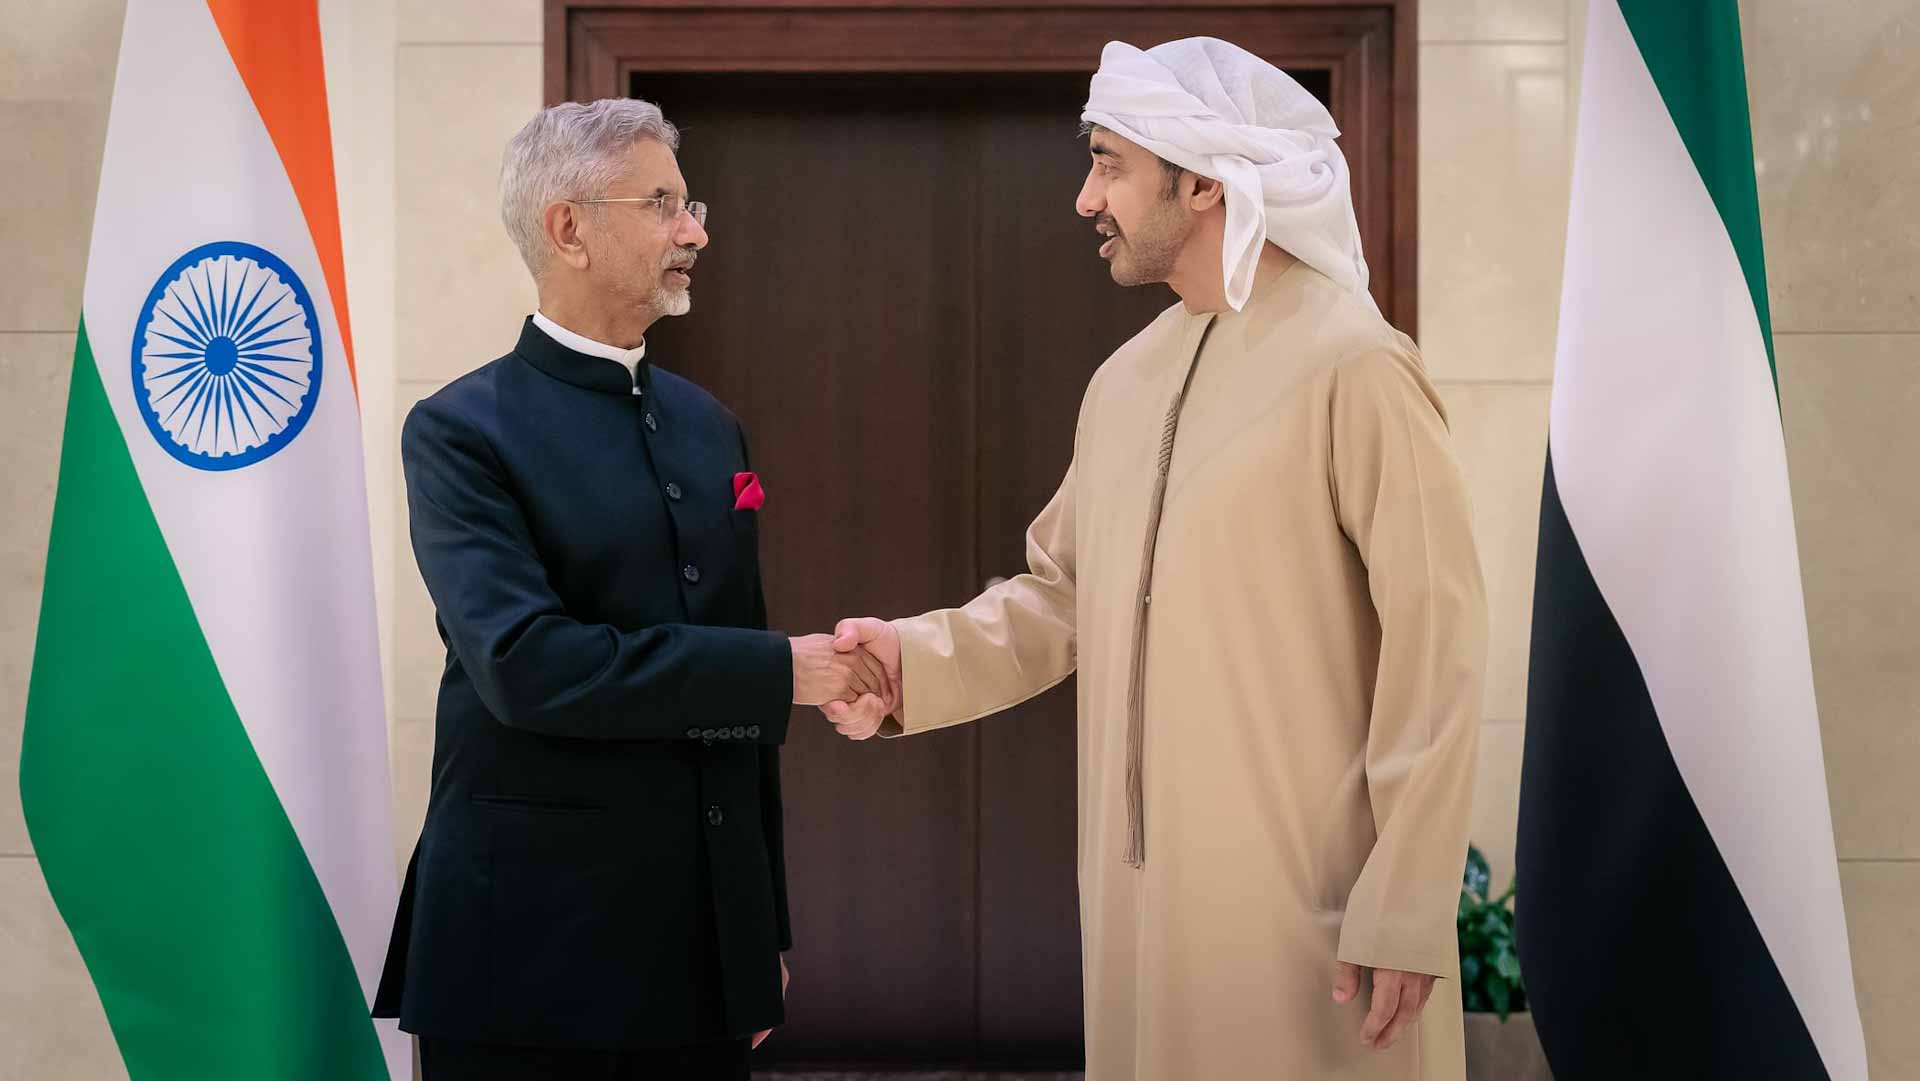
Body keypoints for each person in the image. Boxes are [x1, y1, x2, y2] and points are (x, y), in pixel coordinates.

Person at [827, 38, 1487, 1081]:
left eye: (1108, 163)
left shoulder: (1354, 364)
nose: (1088, 198)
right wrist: (910, 661)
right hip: (1139, 909)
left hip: (1311, 920)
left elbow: (1438, 645)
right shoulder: (1125, 382)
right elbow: (1066, 599)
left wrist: (1405, 901)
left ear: (1203, 180)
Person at [371, 97, 886, 1081]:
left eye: (693, 208)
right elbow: (527, 667)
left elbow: (741, 702)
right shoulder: (459, 431)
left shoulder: (711, 429)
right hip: (523, 953)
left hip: (700, 957)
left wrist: (758, 922)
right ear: (568, 226)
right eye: (662, 204)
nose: (694, 231)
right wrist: (785, 669)